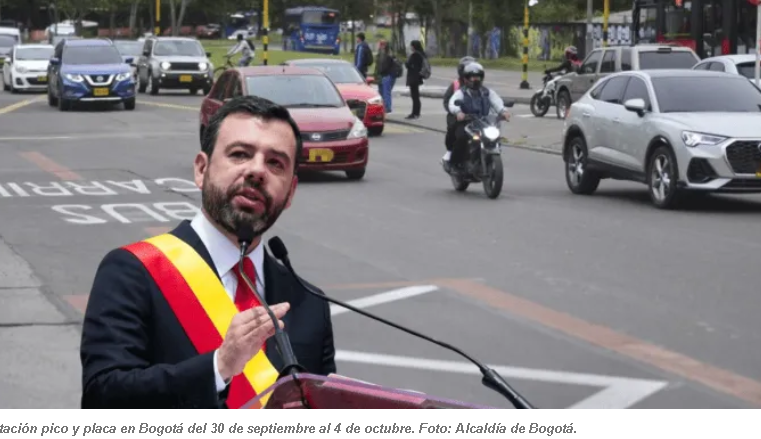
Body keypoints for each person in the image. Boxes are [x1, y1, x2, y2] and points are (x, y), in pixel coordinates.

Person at [80, 96, 336, 409]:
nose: (257, 171)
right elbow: (103, 399)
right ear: (202, 169)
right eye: (240, 154)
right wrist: (219, 367)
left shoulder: (309, 303)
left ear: (290, 192)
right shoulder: (136, 271)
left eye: (275, 163)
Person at [445, 62, 510, 170]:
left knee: (494, 137)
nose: (475, 80)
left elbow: (496, 101)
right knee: (461, 138)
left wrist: (503, 111)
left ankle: (487, 159)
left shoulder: (487, 92)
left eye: (478, 77)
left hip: (484, 122)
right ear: (466, 79)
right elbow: (452, 102)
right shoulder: (461, 93)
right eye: (472, 77)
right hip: (467, 122)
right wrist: (458, 112)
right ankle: (454, 163)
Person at [442, 56, 475, 166]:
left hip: (475, 118)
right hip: (458, 117)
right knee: (461, 136)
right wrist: (456, 112)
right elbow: (447, 101)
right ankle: (451, 153)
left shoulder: (478, 85)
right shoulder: (456, 85)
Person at [404, 40, 426, 120]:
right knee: (416, 96)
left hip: (414, 77)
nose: (410, 47)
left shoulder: (415, 55)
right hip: (417, 77)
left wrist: (407, 62)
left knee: (415, 97)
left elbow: (408, 64)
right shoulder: (421, 54)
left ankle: (415, 113)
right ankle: (416, 112)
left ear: (414, 46)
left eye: (411, 46)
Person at [375, 40, 396, 113]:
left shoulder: (386, 54)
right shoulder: (384, 53)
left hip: (386, 75)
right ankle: (383, 107)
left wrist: (379, 73)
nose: (380, 46)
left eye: (381, 45)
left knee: (385, 92)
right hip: (384, 75)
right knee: (382, 92)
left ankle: (387, 107)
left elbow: (383, 66)